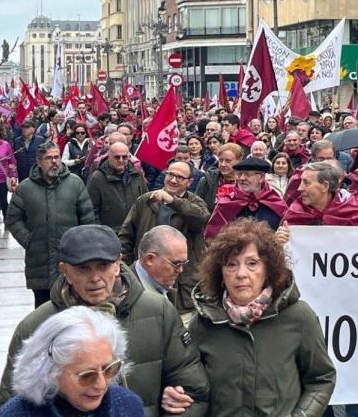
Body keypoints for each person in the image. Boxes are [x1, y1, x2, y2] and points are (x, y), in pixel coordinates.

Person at [0, 224, 210, 414]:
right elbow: (11, 401)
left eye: (103, 266)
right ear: (65, 271)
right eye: (83, 269)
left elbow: (192, 388)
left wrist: (176, 402)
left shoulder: (158, 311)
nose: (95, 278)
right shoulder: (37, 326)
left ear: (118, 264)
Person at [190, 218, 336, 416]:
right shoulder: (204, 322)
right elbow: (190, 386)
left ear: (268, 269)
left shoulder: (299, 317)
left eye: (252, 263)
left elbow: (322, 379)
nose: (241, 273)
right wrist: (175, 393)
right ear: (220, 272)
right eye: (231, 265)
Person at [0, 307, 144, 417]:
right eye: (87, 375)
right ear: (50, 371)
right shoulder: (14, 414)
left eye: (109, 369)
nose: (101, 384)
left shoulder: (128, 406)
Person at [6, 142, 97, 307]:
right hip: (39, 262)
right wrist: (29, 240)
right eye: (49, 158)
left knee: (73, 309)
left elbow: (87, 218)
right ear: (39, 162)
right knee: (43, 311)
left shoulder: (75, 184)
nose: (54, 161)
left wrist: (81, 245)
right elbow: (13, 219)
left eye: (57, 157)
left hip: (71, 261)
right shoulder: (25, 188)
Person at [119, 160, 209, 323]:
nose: (173, 180)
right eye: (171, 175)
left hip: (181, 284)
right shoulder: (146, 200)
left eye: (180, 178)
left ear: (189, 182)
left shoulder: (195, 203)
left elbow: (201, 219)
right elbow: (126, 236)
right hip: (144, 280)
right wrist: (123, 270)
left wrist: (173, 201)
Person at [206, 157, 288, 238]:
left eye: (247, 174)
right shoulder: (227, 203)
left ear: (261, 178)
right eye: (239, 174)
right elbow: (212, 237)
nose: (242, 178)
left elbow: (287, 235)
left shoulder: (276, 203)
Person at [281, 162, 358, 228]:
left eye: (306, 183)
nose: (299, 188)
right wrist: (280, 240)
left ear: (325, 186)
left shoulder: (354, 209)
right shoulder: (296, 212)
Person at [87, 142, 148, 232]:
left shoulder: (137, 175)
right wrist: (99, 232)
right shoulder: (97, 178)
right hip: (109, 233)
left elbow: (145, 202)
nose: (120, 160)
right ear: (109, 157)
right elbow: (92, 210)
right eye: (117, 157)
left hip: (134, 231)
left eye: (124, 157)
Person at [133, 225, 188, 300]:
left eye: (184, 263)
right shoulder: (129, 297)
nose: (180, 270)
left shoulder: (162, 285)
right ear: (150, 259)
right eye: (176, 264)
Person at [194, 142, 241, 213]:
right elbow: (195, 209)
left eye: (228, 161)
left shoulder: (245, 183)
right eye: (221, 160)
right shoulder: (206, 181)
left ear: (239, 161)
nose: (223, 164)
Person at [13, 120, 46, 185]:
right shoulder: (17, 141)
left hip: (36, 172)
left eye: (27, 127)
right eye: (23, 127)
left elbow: (44, 155)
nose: (24, 129)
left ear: (33, 129)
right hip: (22, 173)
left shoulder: (40, 140)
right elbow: (14, 157)